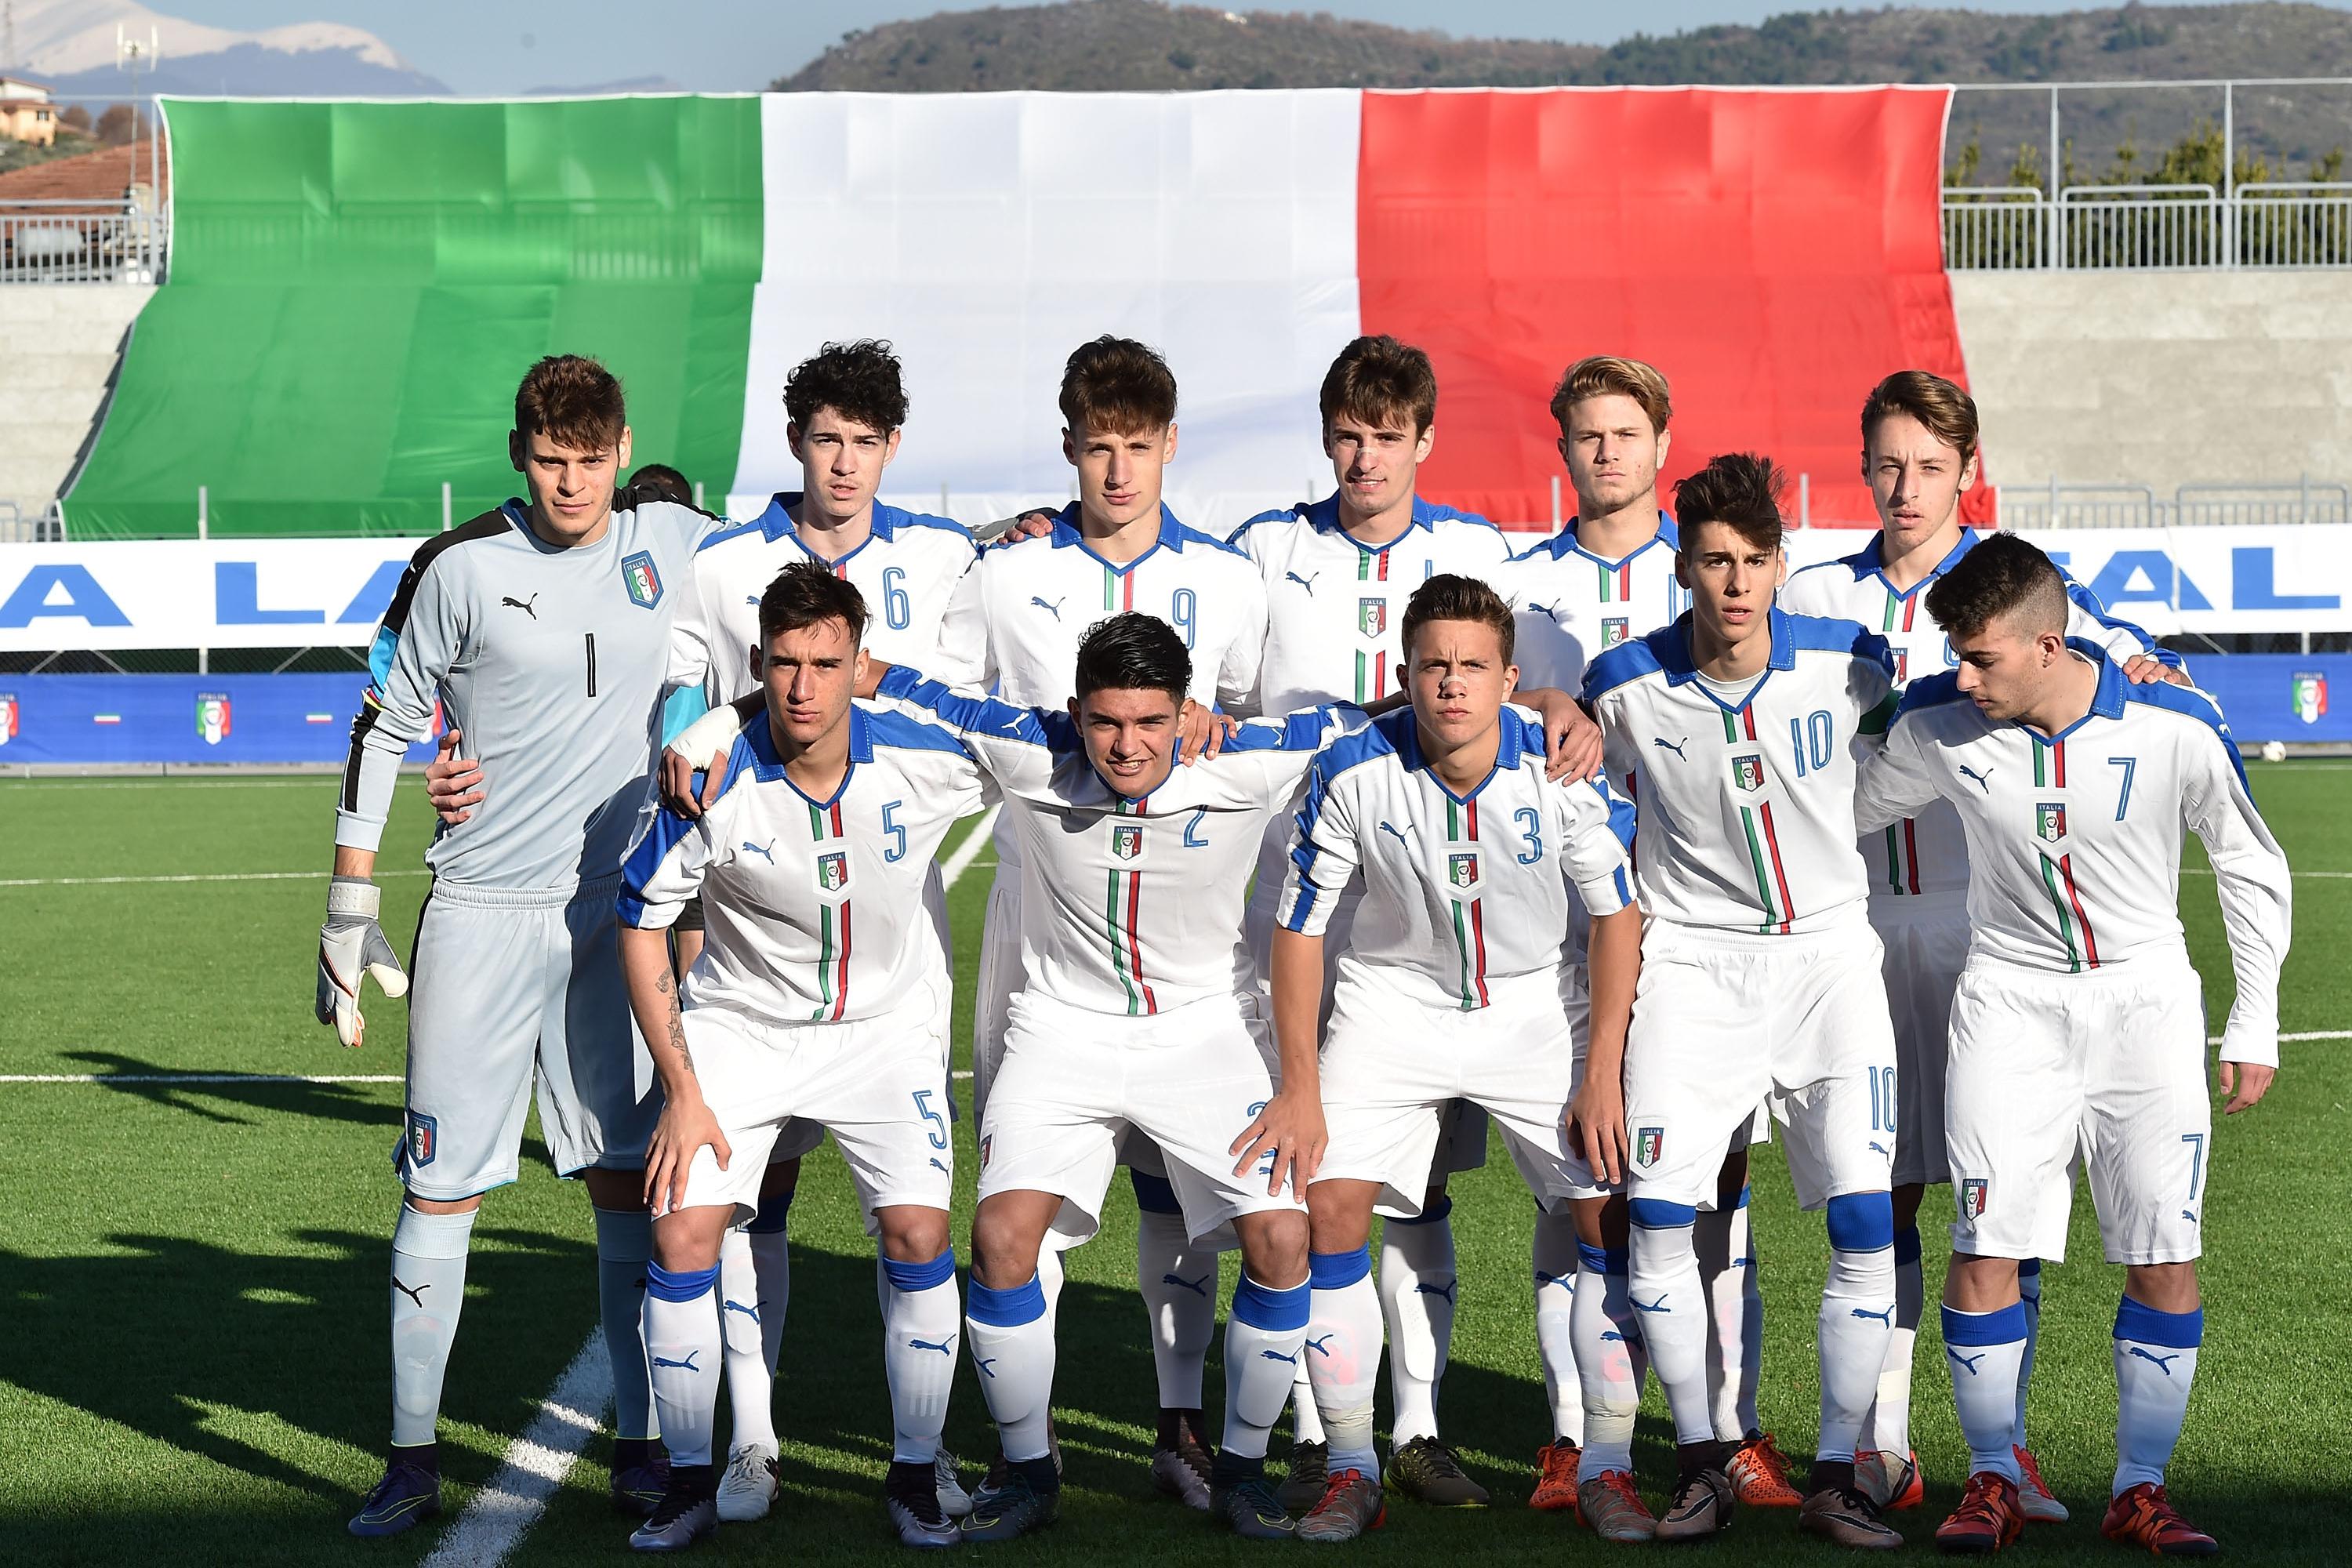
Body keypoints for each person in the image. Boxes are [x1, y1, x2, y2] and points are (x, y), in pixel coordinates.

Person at [318, 354, 726, 1535]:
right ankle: (408, 1459)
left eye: (591, 459)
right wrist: (350, 897)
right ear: (519, 454)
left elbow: (816, 554)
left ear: (621, 448)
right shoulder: (459, 568)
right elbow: (384, 723)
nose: (572, 483)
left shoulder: (678, 540)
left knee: (628, 1182)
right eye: (551, 460)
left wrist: (1028, 530)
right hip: (483, 916)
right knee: (439, 1191)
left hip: (618, 921)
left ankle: (643, 1445)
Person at [1779, 369, 2188, 1519]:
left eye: (1928, 466)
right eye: (1886, 464)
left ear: (1968, 470)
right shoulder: (1815, 594)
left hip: (1992, 941)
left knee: (2008, 1203)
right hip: (1859, 933)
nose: (1905, 487)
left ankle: (1998, 1459)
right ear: (1862, 467)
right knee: (1885, 1192)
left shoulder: (2021, 595)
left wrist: (2155, 665)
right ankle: (1888, 1443)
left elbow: (2132, 673)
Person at [869, 614, 1367, 1541]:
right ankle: (1028, 1472)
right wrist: (701, 732)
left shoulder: (1247, 758)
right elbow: (881, 681)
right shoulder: (1032, 750)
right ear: (1074, 712)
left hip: (1204, 1030)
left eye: (1150, 722)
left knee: (1282, 1237)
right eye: (1105, 723)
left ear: (1186, 713)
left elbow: (1390, 714)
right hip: (1062, 1029)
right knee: (1003, 1237)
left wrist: (1541, 704)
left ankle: (1246, 1473)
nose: (1127, 745)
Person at [1852, 533, 2289, 1555]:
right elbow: (1834, 812)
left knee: (2162, 1254)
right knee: (1986, 1244)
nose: (1964, 677)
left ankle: (2141, 1488)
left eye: (1982, 658)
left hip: (2146, 1010)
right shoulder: (1939, 725)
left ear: (2049, 645)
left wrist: (2254, 1016)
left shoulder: (2177, 720)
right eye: (1955, 657)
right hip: (2007, 1004)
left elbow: (2249, 865)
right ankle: (1993, 1477)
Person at [918, 336, 1272, 1508]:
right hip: (1045, 909)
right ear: (1068, 447)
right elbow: (944, 707)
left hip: (1187, 920)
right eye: (1097, 448)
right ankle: (1036, 1434)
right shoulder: (1007, 571)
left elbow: (1263, 727)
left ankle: (1183, 1425)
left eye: (1139, 447)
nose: (1117, 471)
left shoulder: (1226, 578)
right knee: (1027, 1192)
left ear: (1171, 446)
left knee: (1181, 1189)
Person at [1250, 573, 1642, 1542]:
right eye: (1434, 665)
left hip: (1531, 1004)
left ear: (1510, 679)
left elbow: (1617, 915)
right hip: (1394, 1002)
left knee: (1607, 1203)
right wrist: (1300, 1085)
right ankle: (1349, 1465)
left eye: (1473, 666)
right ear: (1405, 672)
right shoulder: (1351, 769)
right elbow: (1299, 931)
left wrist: (1602, 1069)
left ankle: (1608, 1466)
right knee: (1327, 1204)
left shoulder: (1559, 769)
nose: (1452, 685)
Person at [660, 340, 979, 1520]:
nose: (842, 463)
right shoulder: (726, 561)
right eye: (823, 439)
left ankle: (918, 1458)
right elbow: (685, 698)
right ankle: (752, 1432)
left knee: (911, 1220)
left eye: (865, 441)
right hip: (750, 919)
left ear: (894, 447)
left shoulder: (949, 557)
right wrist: (688, 752)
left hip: (892, 923)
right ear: (794, 441)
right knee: (759, 1196)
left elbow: (968, 703)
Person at [1581, 452, 1903, 1548]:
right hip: (1694, 965)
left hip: (1827, 960)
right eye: (1715, 560)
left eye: (1755, 560)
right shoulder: (1624, 682)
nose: (1735, 583)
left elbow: (1959, 704)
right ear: (1683, 566)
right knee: (1663, 1220)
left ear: (1780, 565)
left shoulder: (1849, 660)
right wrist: (1542, 702)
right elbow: (1559, 745)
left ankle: (1835, 1473)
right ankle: (1705, 1463)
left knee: (1864, 1218)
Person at [1226, 336, 1526, 1512]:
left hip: (1423, 920)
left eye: (1386, 435)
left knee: (1426, 1185)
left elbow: (1532, 696)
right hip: (1293, 903)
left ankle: (1418, 1423)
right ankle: (1320, 1421)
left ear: (1424, 440)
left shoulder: (1474, 553)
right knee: (1313, 1169)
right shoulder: (1268, 549)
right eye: (1347, 433)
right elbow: (1221, 702)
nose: (1364, 456)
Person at [1509, 357, 1786, 1511]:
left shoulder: (1712, 571)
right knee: (1576, 1191)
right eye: (1586, 435)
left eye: (1626, 432)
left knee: (1711, 1190)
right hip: (1564, 925)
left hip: (1697, 929)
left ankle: (1733, 1430)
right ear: (1562, 448)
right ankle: (1580, 1435)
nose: (1606, 452)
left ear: (1661, 442)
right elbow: (1460, 687)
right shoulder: (1520, 588)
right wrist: (1543, 701)